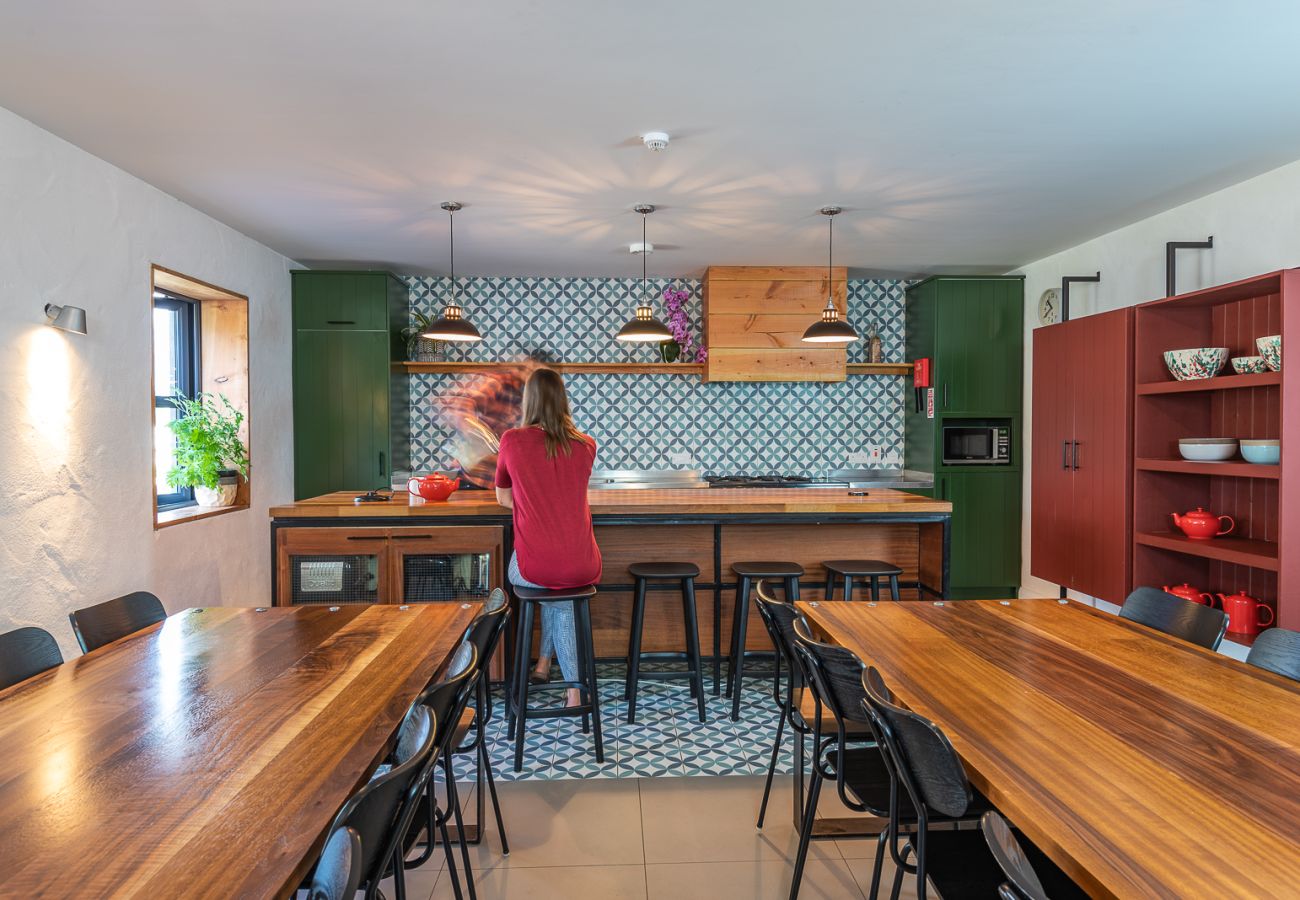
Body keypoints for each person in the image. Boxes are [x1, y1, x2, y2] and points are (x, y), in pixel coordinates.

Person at [494, 368, 601, 706]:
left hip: (534, 568)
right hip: (583, 565)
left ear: (530, 401)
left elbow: (502, 497)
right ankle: (546, 664)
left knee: (548, 586)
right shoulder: (586, 445)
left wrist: (529, 499)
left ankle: (573, 692)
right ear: (563, 400)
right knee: (561, 591)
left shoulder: (512, 440)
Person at [438, 356, 545, 488]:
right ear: (528, 367)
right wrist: (483, 447)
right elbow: (464, 407)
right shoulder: (499, 383)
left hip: (499, 481)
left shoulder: (525, 395)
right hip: (476, 479)